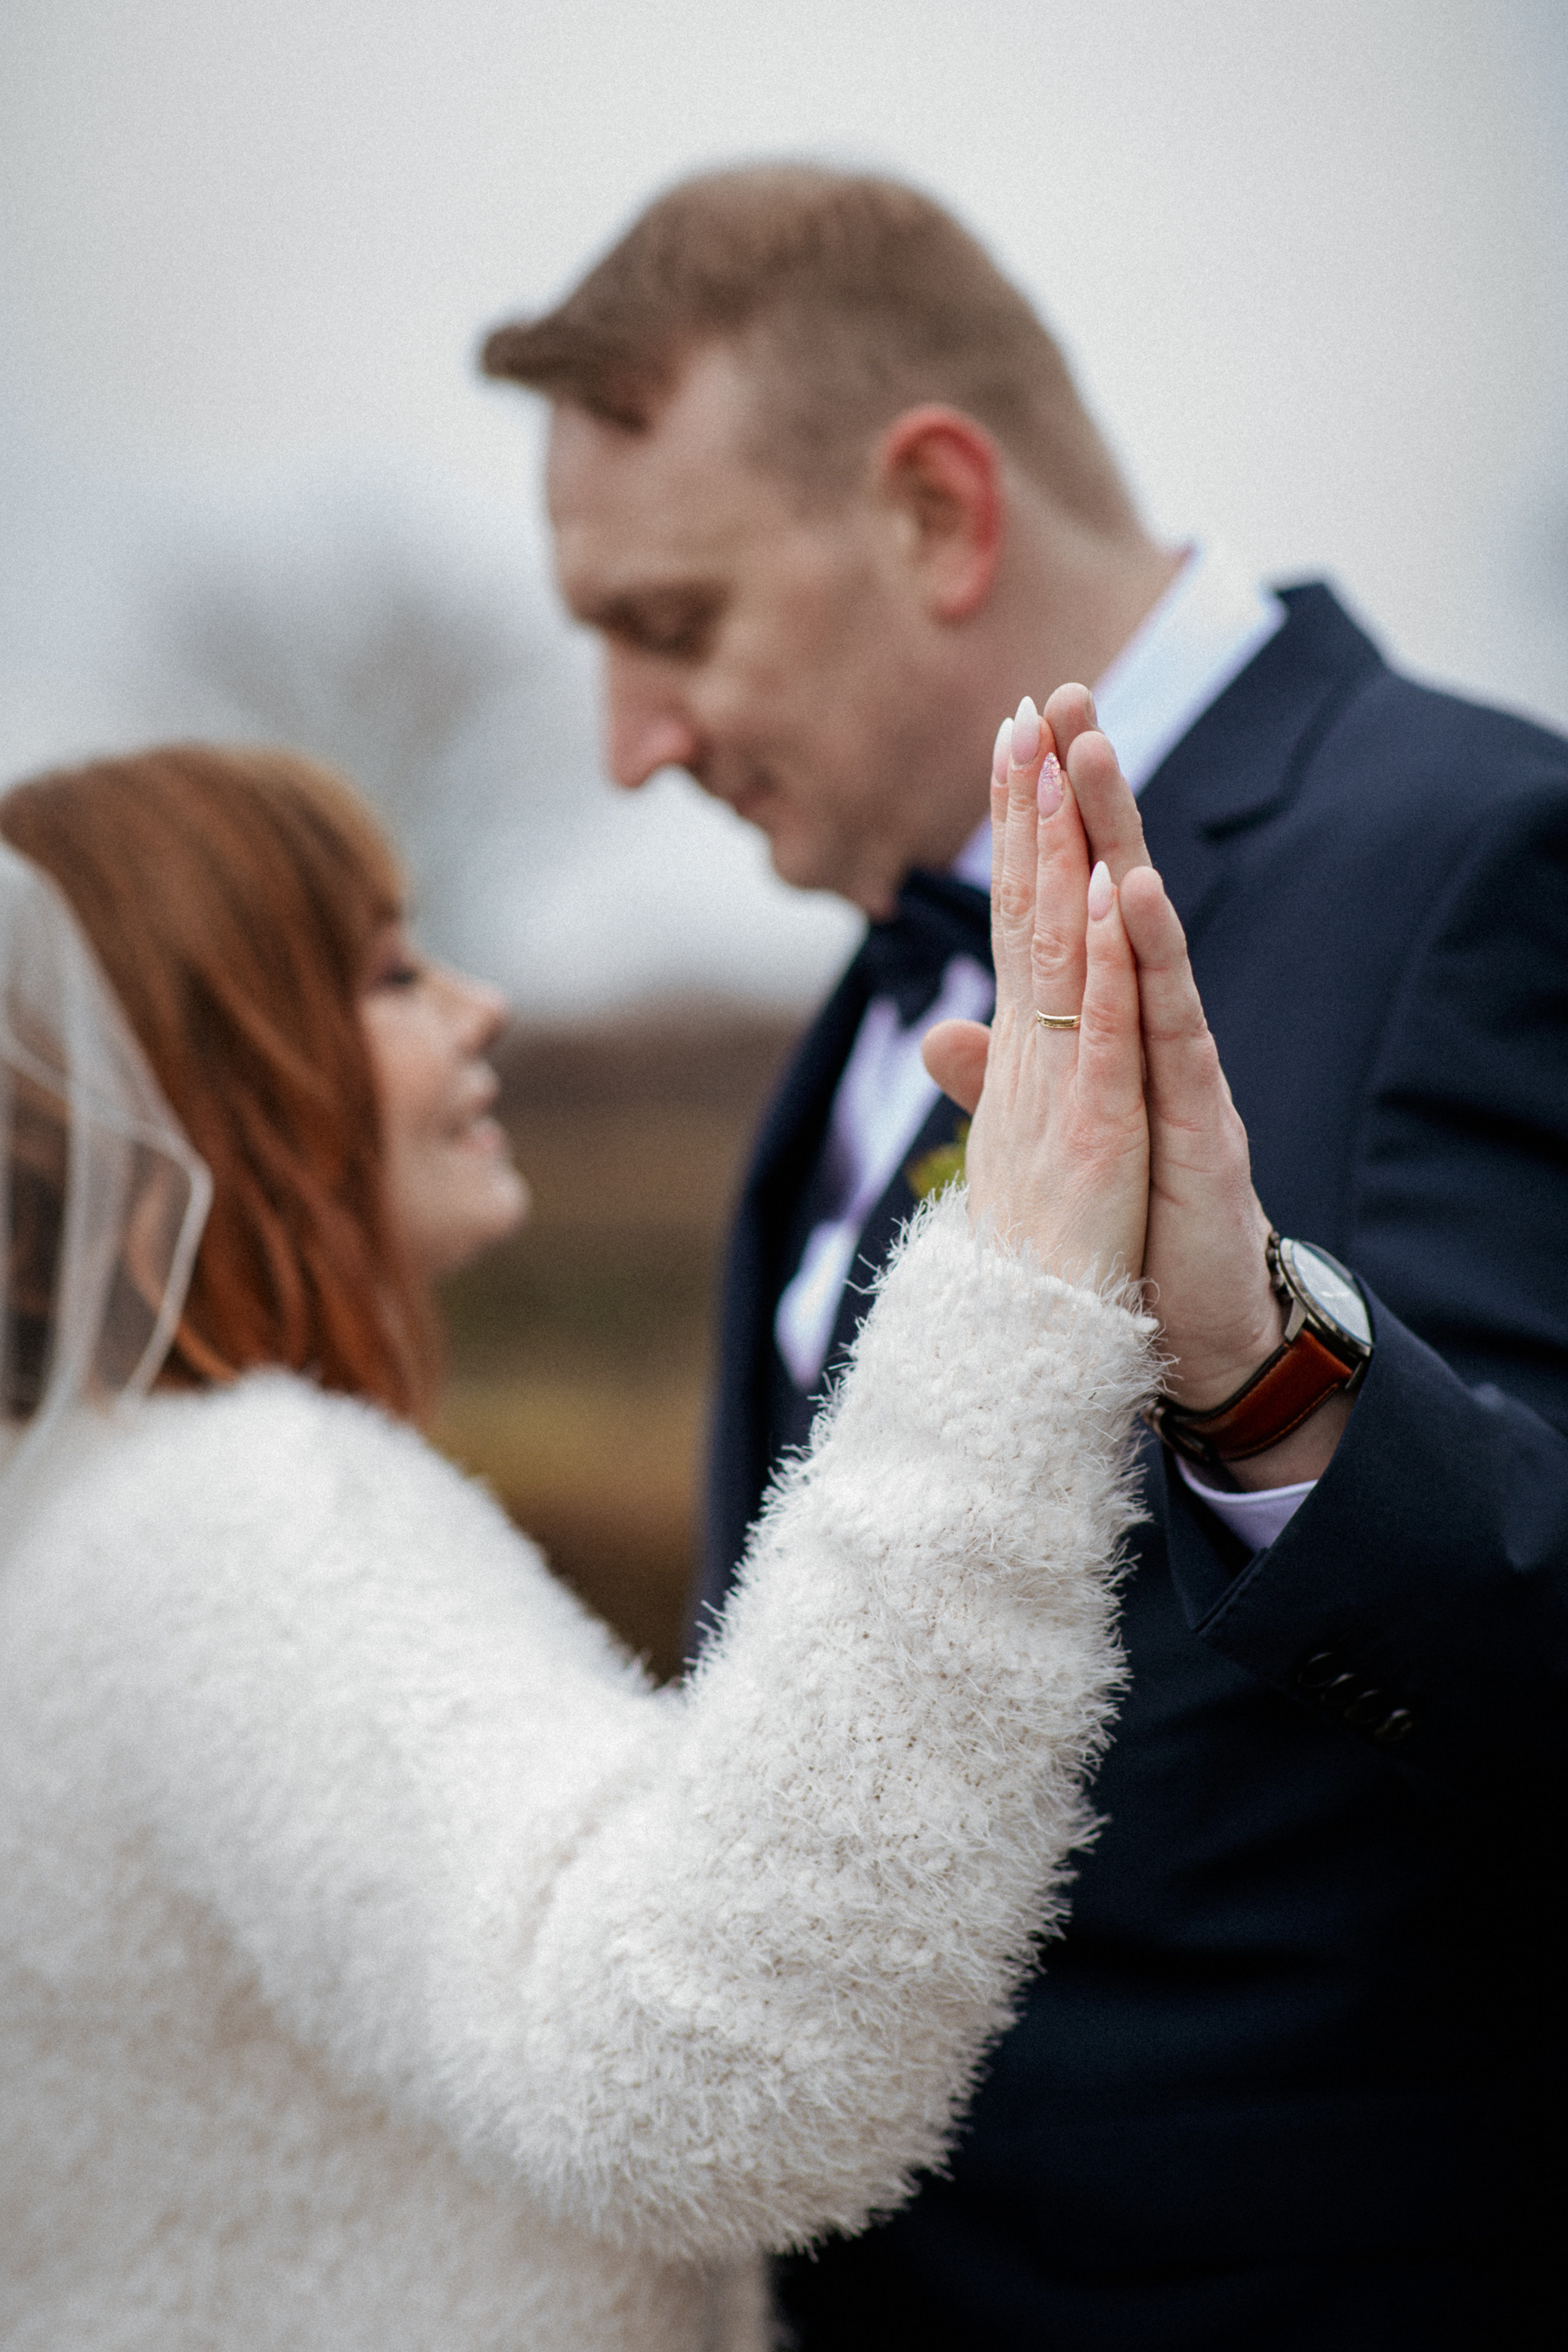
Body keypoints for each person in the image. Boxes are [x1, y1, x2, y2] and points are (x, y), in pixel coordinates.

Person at [481, 164, 1568, 2345]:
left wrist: (1264, 1376)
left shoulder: (1480, 857)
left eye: (671, 625)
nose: (630, 746)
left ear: (937, 513)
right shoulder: (862, 1013)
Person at [0, 737, 1188, 2351]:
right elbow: (701, 2064)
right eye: (389, 973)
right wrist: (1020, 1294)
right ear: (195, 1067)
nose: (477, 1005)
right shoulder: (243, 1516)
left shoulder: (70, 1521)